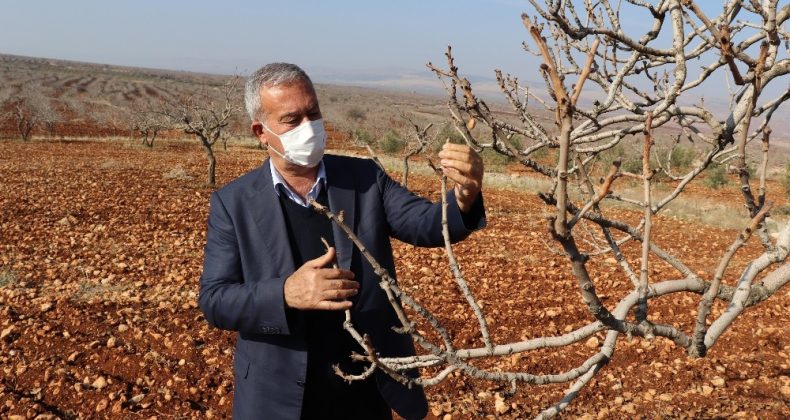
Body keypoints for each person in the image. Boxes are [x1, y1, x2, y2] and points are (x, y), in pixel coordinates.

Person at [198, 62, 485, 420]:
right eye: (292, 120)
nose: (309, 127)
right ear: (261, 131)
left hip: (368, 386)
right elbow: (215, 299)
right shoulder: (234, 203)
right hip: (280, 397)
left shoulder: (364, 178)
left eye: (313, 113)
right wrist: (286, 293)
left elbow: (425, 223)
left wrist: (465, 195)